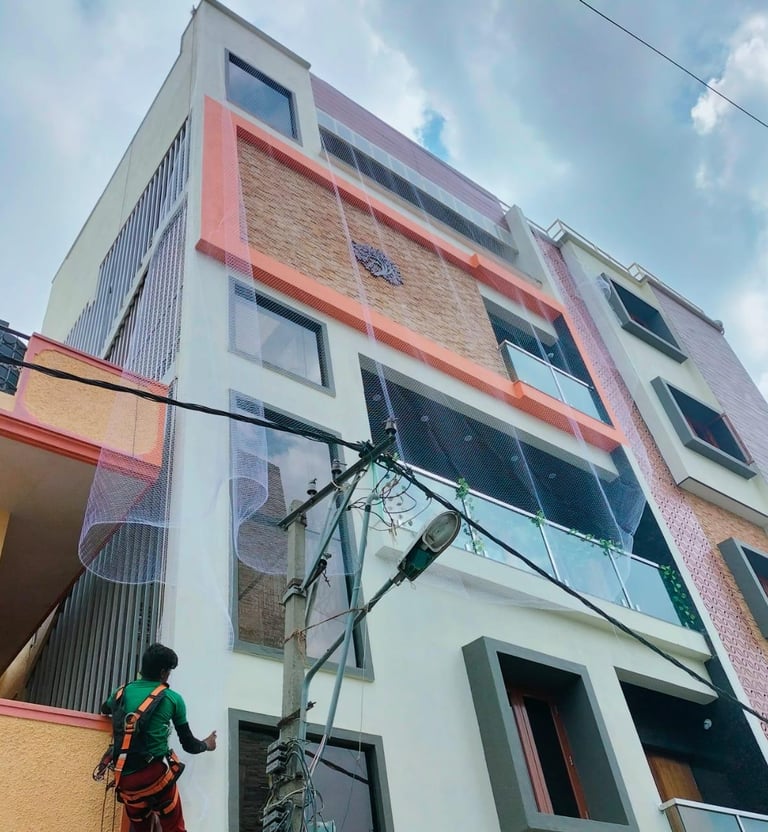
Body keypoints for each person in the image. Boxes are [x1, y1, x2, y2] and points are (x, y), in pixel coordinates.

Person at [101, 643, 216, 832]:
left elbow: (105, 709)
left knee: (139, 825)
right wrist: (207, 744)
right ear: (163, 673)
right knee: (174, 826)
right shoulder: (172, 699)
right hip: (155, 778)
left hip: (126, 780)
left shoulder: (121, 692)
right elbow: (189, 745)